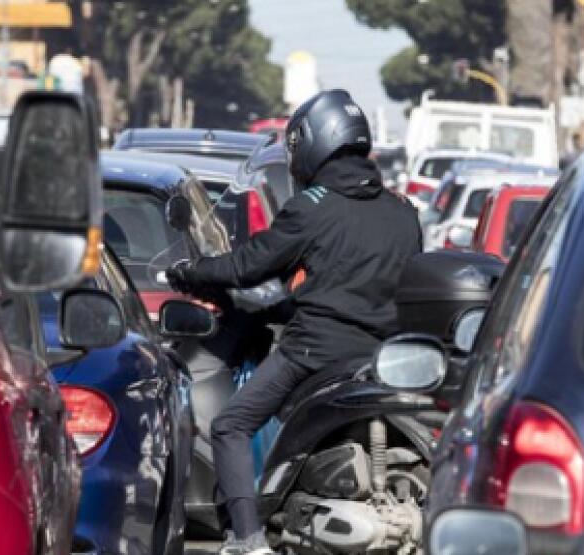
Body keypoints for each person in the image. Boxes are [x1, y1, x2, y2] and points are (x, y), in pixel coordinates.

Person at [165, 89, 422, 555]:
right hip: (383, 359)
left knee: (230, 426)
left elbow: (247, 266)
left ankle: (247, 539)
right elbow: (360, 283)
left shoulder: (314, 206)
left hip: (313, 352)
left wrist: (188, 274)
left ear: (314, 143)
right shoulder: (403, 212)